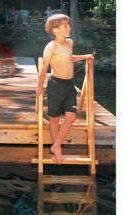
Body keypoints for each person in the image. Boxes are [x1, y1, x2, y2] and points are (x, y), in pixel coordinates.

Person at [36, 14, 94, 164]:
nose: (69, 28)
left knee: (71, 117)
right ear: (55, 29)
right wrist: (39, 88)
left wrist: (85, 56)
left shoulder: (70, 42)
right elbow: (44, 70)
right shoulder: (51, 47)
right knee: (54, 119)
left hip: (69, 85)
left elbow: (69, 58)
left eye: (69, 25)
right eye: (65, 26)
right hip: (55, 85)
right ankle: (58, 149)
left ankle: (55, 146)